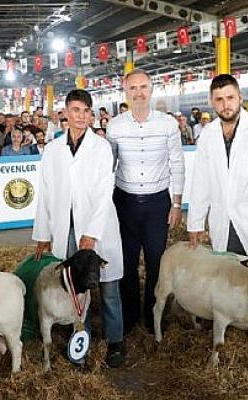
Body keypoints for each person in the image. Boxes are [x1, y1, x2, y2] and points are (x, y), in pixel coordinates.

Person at [186, 74, 248, 354]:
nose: (225, 104)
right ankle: (238, 330)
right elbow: (201, 180)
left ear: (240, 98)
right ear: (211, 102)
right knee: (232, 276)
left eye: (230, 97)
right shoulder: (208, 134)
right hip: (224, 220)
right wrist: (195, 221)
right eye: (219, 99)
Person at [33, 89, 126, 368]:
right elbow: (45, 193)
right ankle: (79, 341)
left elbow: (104, 192)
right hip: (66, 229)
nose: (81, 116)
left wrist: (92, 234)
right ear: (65, 113)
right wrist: (43, 234)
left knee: (108, 287)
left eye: (86, 111)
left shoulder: (101, 148)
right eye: (76, 110)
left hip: (99, 228)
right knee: (73, 288)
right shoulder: (53, 150)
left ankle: (115, 341)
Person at [106, 69, 185, 335]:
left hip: (157, 204)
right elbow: (108, 165)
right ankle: (129, 317)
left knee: (155, 262)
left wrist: (176, 204)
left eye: (143, 87)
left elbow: (177, 164)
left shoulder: (168, 124)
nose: (138, 93)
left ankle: (154, 316)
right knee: (126, 263)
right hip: (124, 202)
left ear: (151, 90)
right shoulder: (115, 126)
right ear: (125, 92)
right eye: (133, 88)